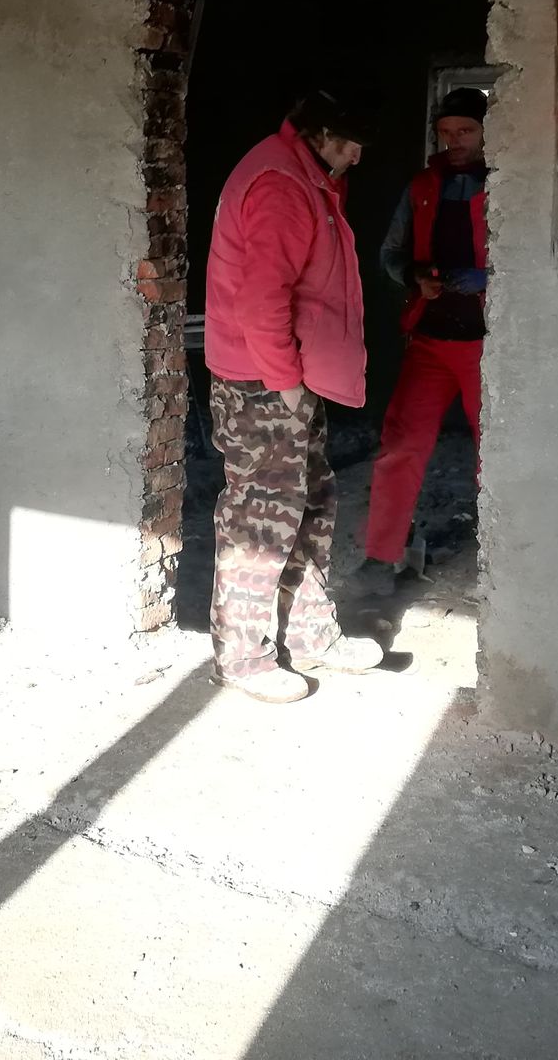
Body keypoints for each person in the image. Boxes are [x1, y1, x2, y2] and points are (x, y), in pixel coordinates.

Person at [202, 91, 388, 702]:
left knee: (308, 505)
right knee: (260, 519)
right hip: (263, 382)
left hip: (286, 377)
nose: (358, 156)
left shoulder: (306, 177)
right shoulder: (282, 185)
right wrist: (284, 383)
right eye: (352, 143)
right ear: (323, 133)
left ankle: (309, 636)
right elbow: (261, 300)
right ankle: (243, 656)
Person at [356, 87, 490, 595]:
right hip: (431, 339)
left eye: (466, 131)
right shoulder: (423, 186)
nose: (455, 141)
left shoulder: (509, 183)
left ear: (487, 132)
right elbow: (391, 254)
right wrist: (416, 277)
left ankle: (504, 562)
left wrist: (487, 279)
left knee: (495, 454)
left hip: (489, 345)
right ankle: (379, 557)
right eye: (446, 132)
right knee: (401, 447)